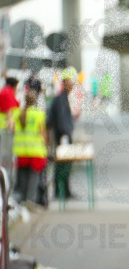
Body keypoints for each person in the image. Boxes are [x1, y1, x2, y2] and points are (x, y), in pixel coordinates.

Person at [11, 90, 49, 207]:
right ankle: (30, 200)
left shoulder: (16, 113)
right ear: (35, 101)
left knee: (22, 177)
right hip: (36, 151)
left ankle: (22, 201)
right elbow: (42, 133)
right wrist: (46, 145)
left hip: (21, 151)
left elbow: (12, 130)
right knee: (34, 178)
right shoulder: (38, 114)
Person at [47, 68, 78, 201]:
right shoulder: (60, 99)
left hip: (64, 135)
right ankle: (60, 191)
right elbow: (59, 120)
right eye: (70, 83)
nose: (72, 86)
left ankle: (65, 190)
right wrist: (66, 134)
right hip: (62, 136)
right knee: (62, 165)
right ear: (65, 84)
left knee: (65, 164)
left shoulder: (63, 98)